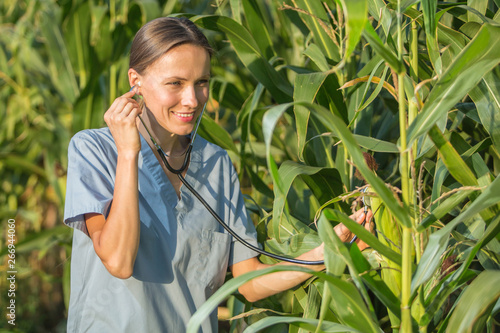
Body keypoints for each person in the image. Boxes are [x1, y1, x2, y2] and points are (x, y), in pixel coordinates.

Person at [63, 17, 373, 332]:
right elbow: (118, 260)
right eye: (176, 83)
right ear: (136, 82)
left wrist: (327, 252)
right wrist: (128, 153)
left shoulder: (216, 163)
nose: (193, 100)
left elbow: (249, 281)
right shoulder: (94, 150)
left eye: (202, 82)